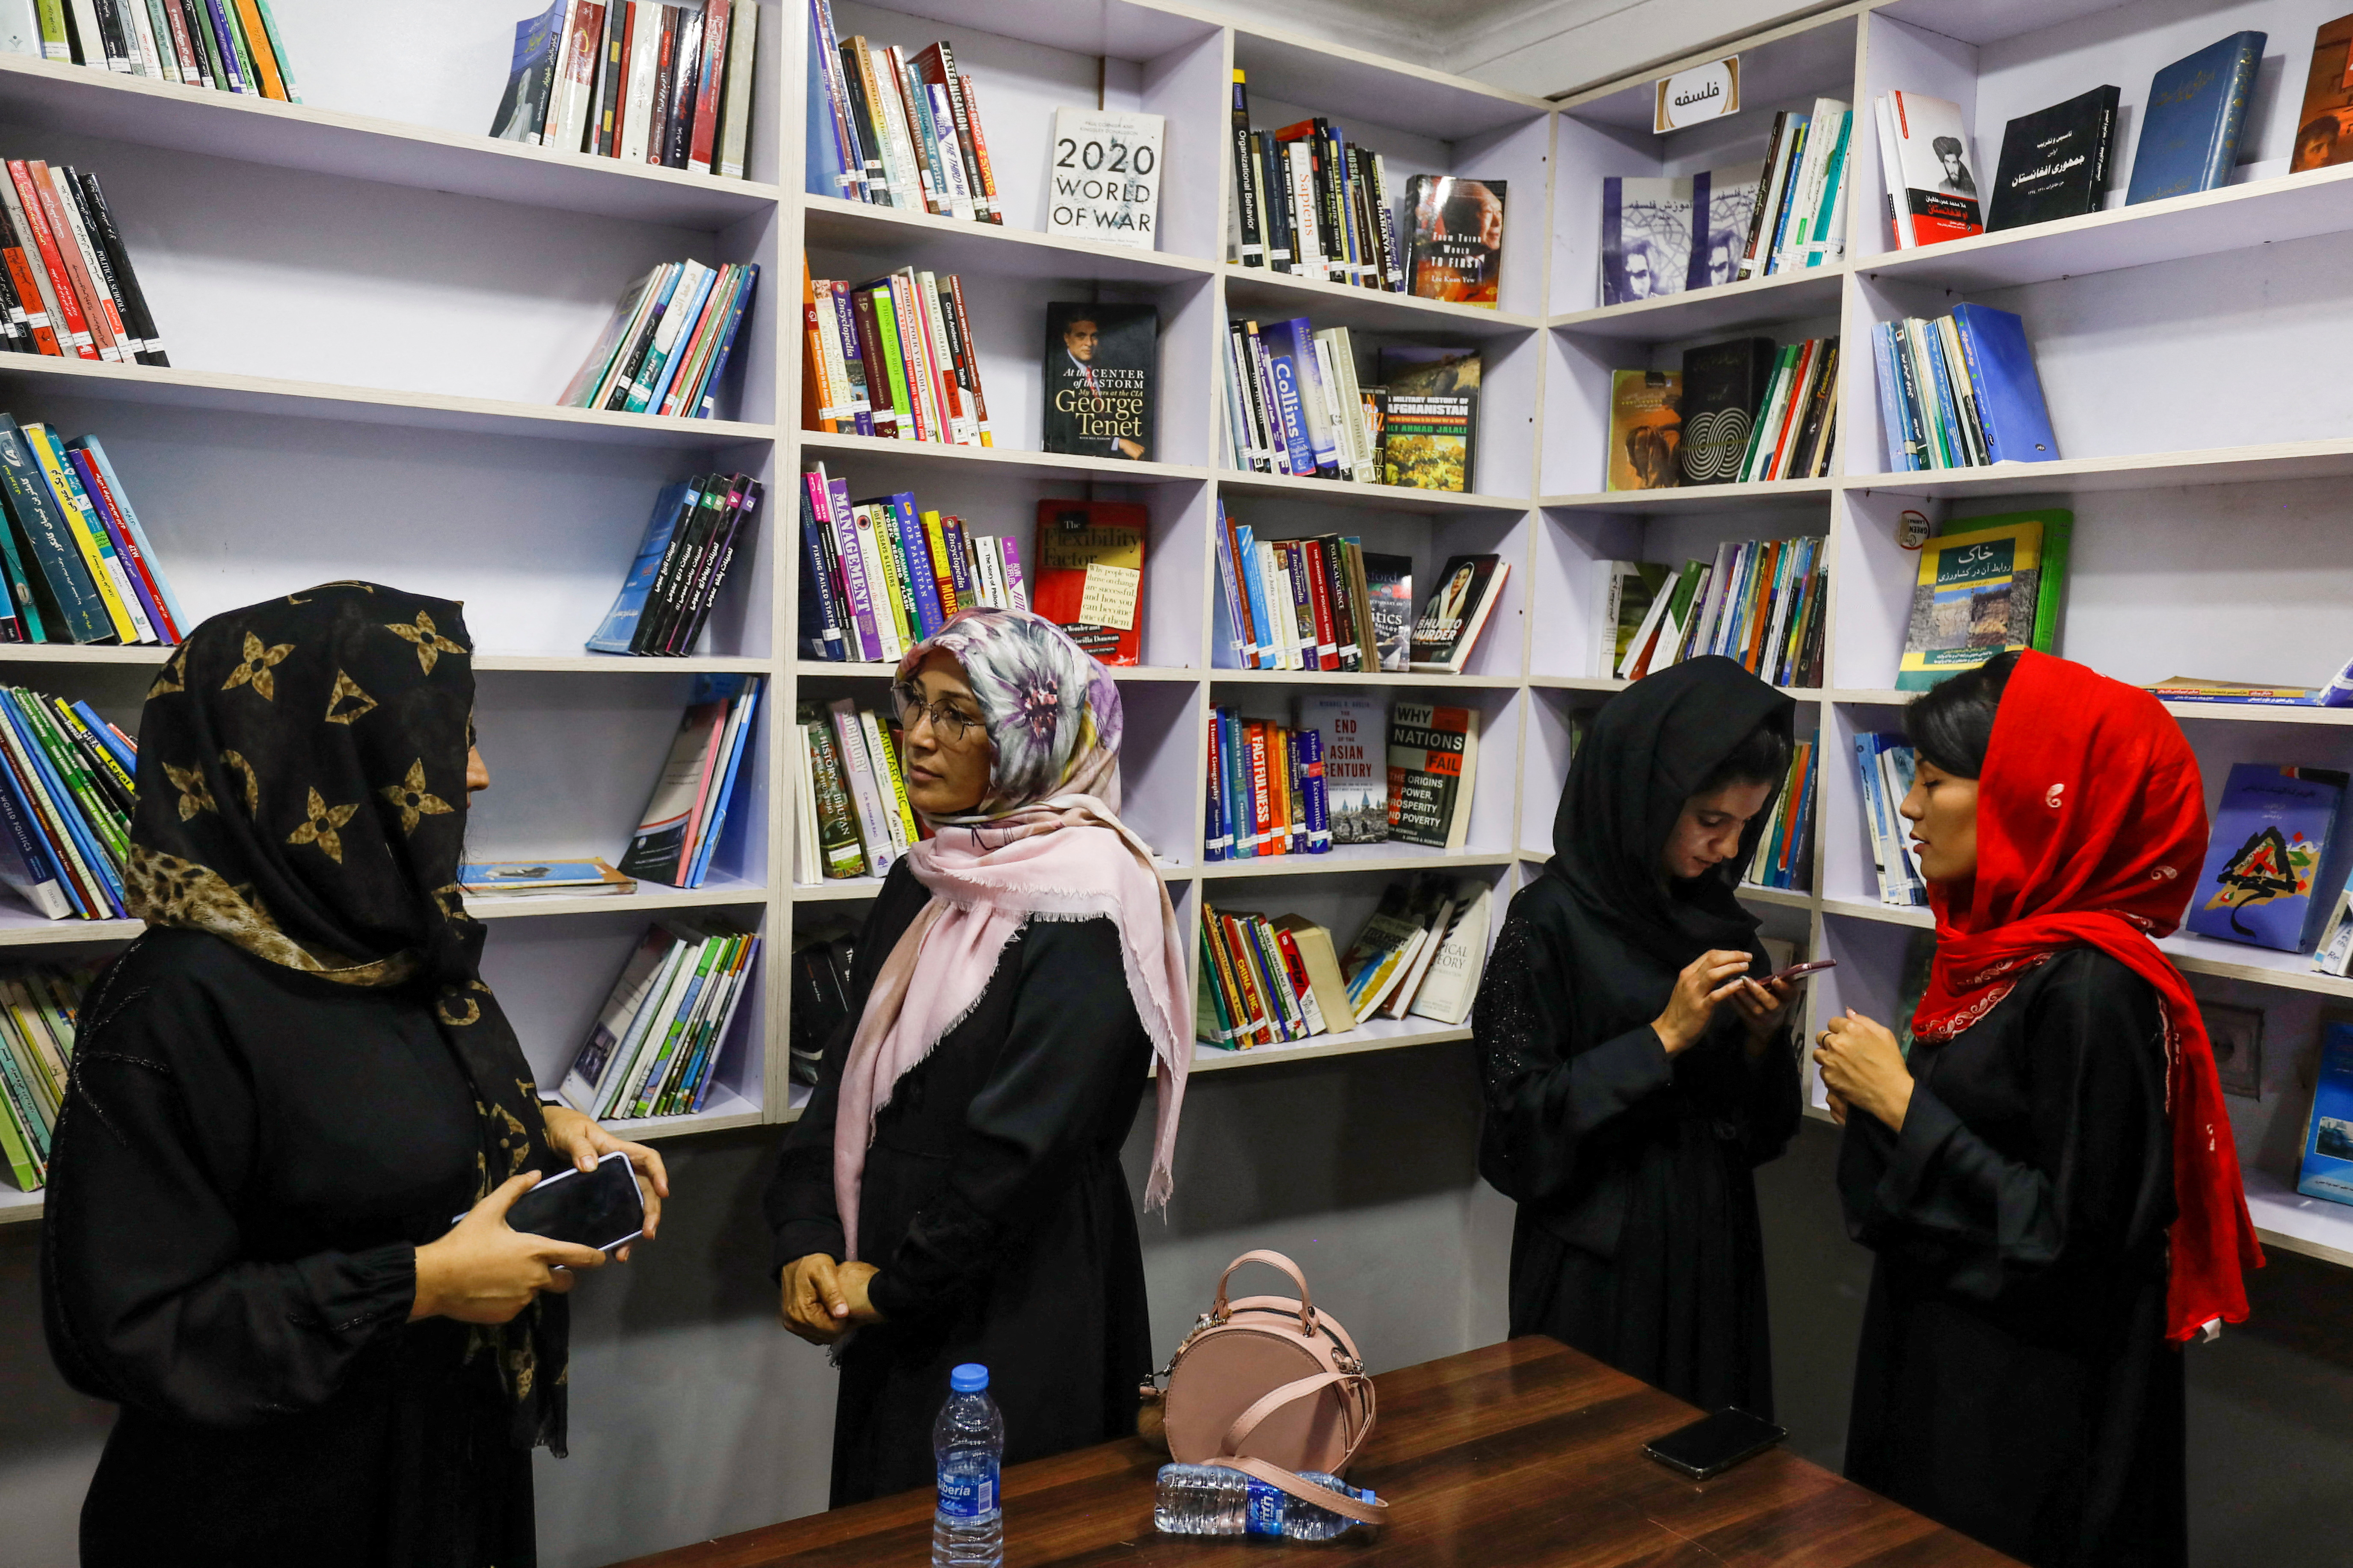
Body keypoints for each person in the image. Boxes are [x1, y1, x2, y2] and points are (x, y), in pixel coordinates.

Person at [41, 583, 671, 1568]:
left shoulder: (381, 937)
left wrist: (537, 1125)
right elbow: (124, 1327)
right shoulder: (170, 1000)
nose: (478, 773)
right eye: (445, 738)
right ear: (318, 759)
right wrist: (420, 1283)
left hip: (442, 1472)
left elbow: (361, 1103)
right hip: (271, 1516)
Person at [1817, 651, 2264, 1568]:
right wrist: (1874, 1107)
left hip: (2028, 1409)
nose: (1906, 809)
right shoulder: (1994, 947)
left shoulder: (2092, 987)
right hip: (1946, 1359)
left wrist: (1901, 1105)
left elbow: (2076, 1240)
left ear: (2031, 793)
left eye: (1932, 783)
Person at [767, 606, 1190, 1506]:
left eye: (959, 715)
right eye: (914, 703)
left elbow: (1026, 1148)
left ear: (1030, 735)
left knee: (1003, 1522)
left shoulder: (1090, 900)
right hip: (888, 1281)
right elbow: (847, 1073)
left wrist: (892, 1287)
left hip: (1016, 1295)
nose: (918, 736)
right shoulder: (928, 872)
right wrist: (803, 1238)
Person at [1474, 656, 1805, 1416]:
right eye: (1709, 821)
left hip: (1710, 1237)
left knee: (1706, 1470)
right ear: (1644, 801)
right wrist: (1661, 1036)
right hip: (1598, 1254)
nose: (1725, 849)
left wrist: (1759, 1045)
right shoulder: (1545, 921)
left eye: (1745, 825)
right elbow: (1517, 1125)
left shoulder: (1716, 918)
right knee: (1589, 1477)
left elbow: (1753, 1132)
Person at [1932, 134, 1977, 198]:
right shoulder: (1943, 186)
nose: (1952, 170)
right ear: (1944, 165)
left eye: (1954, 163)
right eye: (1948, 163)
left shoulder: (1970, 187)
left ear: (1959, 164)